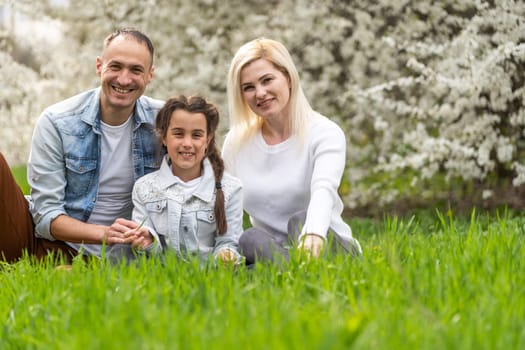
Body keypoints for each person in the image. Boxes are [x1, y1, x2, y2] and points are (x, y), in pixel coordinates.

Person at [0, 27, 163, 264]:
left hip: (134, 252)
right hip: (57, 243)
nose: (124, 79)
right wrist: (103, 234)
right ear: (99, 66)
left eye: (136, 70)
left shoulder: (168, 122)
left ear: (150, 75)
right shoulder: (57, 121)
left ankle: (70, 270)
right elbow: (46, 216)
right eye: (115, 66)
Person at [221, 38, 363, 264]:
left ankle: (292, 270)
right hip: (271, 250)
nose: (260, 93)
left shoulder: (325, 133)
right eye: (249, 87)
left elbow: (323, 190)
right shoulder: (235, 142)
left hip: (326, 244)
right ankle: (291, 272)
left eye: (267, 80)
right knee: (250, 238)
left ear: (287, 77)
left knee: (301, 220)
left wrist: (313, 233)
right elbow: (225, 205)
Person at [126, 95, 243, 266]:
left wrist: (226, 255)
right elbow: (149, 250)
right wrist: (147, 242)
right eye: (179, 134)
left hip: (211, 281)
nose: (187, 143)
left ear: (207, 140)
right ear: (164, 137)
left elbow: (229, 242)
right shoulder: (144, 188)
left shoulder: (231, 188)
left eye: (196, 135)